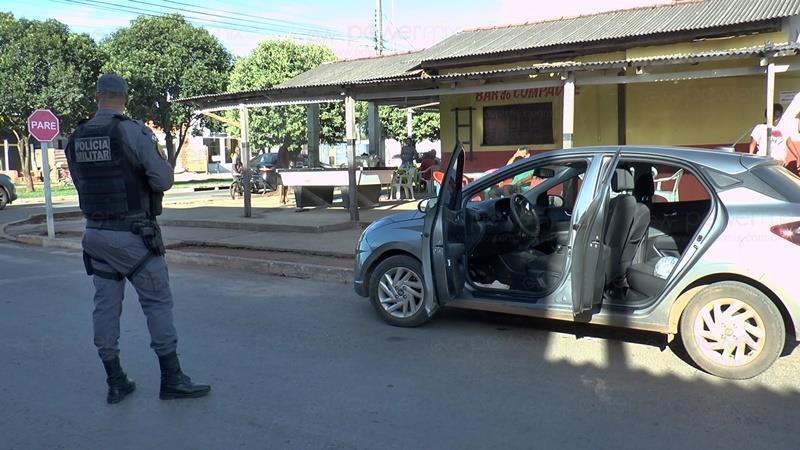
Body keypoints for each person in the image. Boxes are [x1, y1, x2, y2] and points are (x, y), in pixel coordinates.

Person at [65, 74, 210, 404]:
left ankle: (115, 380)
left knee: (105, 308)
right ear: (124, 98)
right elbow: (163, 180)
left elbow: (79, 183)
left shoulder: (75, 138)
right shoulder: (132, 132)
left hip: (96, 235)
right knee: (157, 303)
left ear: (97, 96)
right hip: (134, 238)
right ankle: (172, 378)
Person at [276, 137, 290, 205]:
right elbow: (281, 159)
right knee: (282, 184)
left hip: (283, 169)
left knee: (284, 184)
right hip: (282, 169)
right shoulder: (283, 149)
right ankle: (281, 198)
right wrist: (284, 168)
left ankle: (284, 198)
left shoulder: (284, 149)